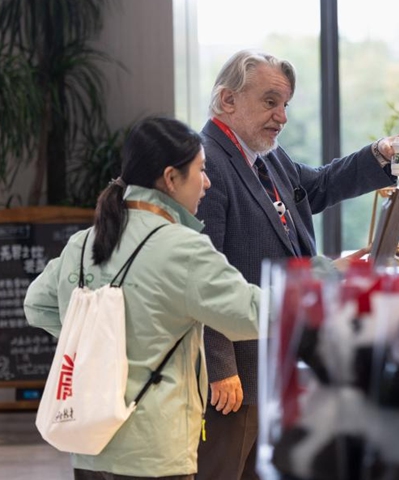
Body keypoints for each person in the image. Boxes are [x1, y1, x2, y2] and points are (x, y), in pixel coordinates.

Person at [194, 50, 399, 480]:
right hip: (237, 371)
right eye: (270, 102)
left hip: (274, 355)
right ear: (228, 100)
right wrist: (220, 366)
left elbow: (318, 185)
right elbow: (203, 272)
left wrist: (380, 153)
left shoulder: (266, 157)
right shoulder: (208, 163)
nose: (281, 117)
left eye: (285, 105)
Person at [24, 116, 263, 479]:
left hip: (89, 444)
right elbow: (250, 314)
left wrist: (100, 340)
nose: (207, 182)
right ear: (171, 178)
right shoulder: (182, 247)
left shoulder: (84, 242)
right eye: (201, 170)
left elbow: (36, 305)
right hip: (153, 449)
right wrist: (319, 281)